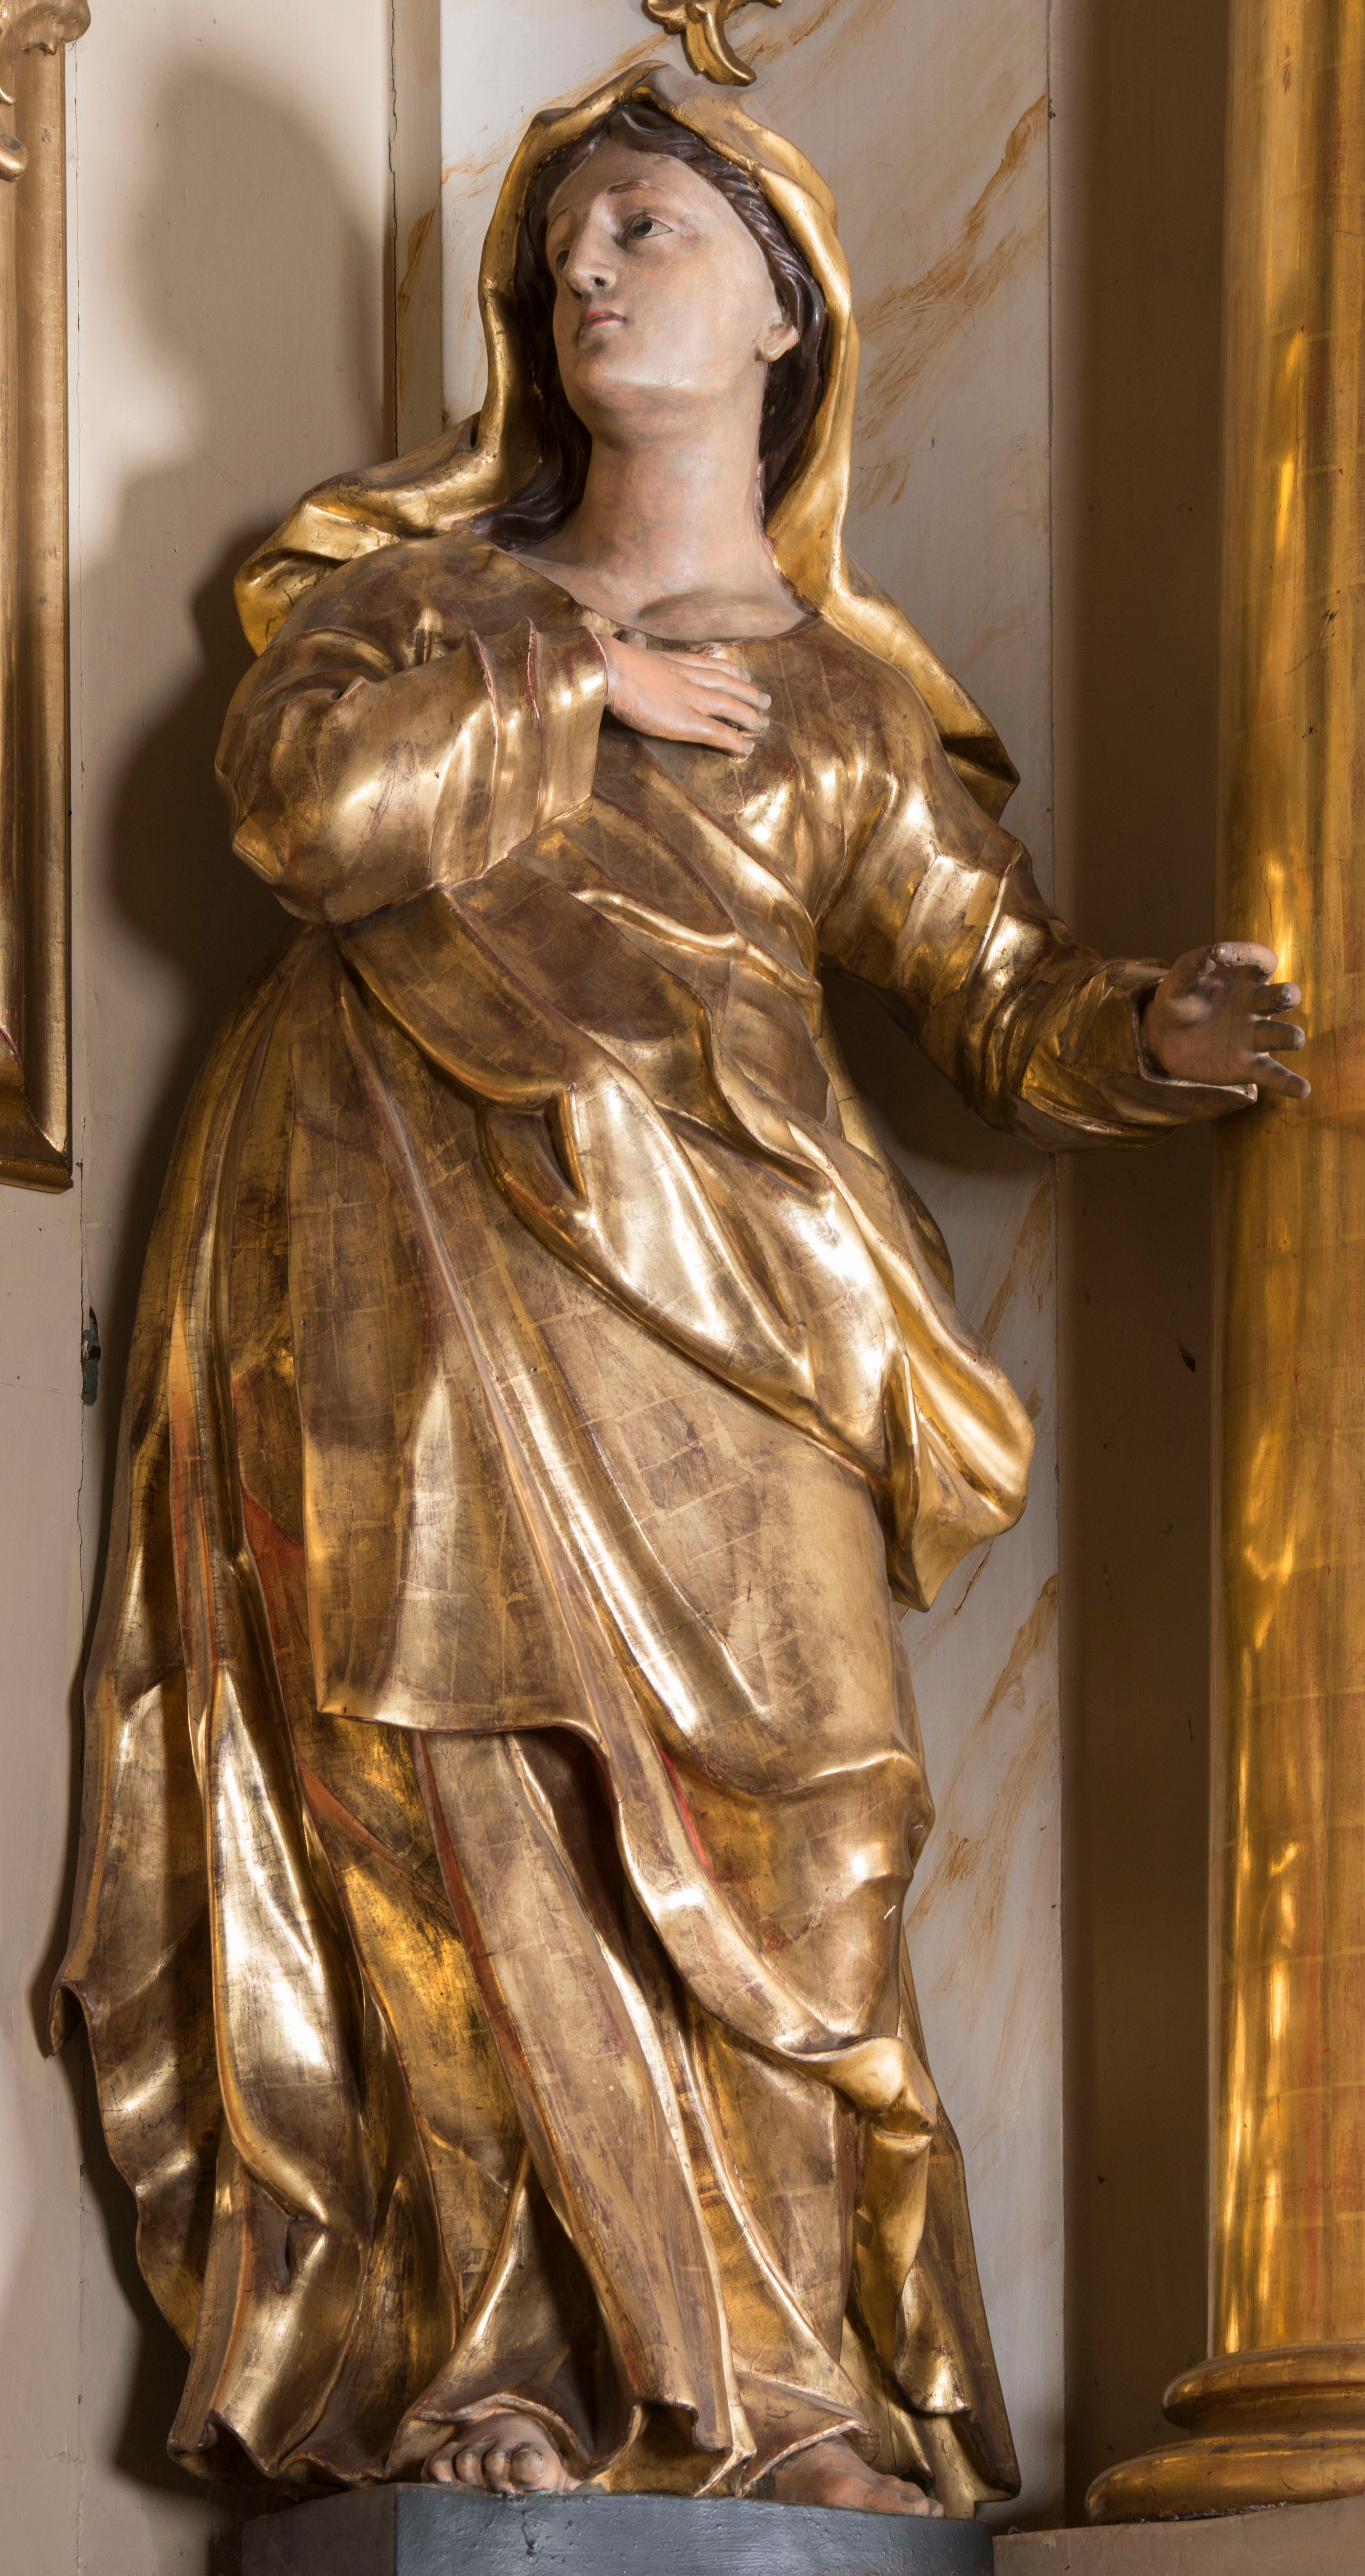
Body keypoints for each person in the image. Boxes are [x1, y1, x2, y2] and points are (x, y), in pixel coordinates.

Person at [57, 66, 1305, 2521]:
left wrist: (1152, 1036)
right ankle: (502, 2355)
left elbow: (985, 992)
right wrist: (565, 680)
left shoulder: (852, 699)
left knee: (806, 1822)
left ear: (786, 311)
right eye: (560, 249)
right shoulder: (408, 600)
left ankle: (795, 2385)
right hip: (417, 1244)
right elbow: (306, 814)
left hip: (738, 1301)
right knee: (456, 1786)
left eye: (643, 229)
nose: (585, 274)